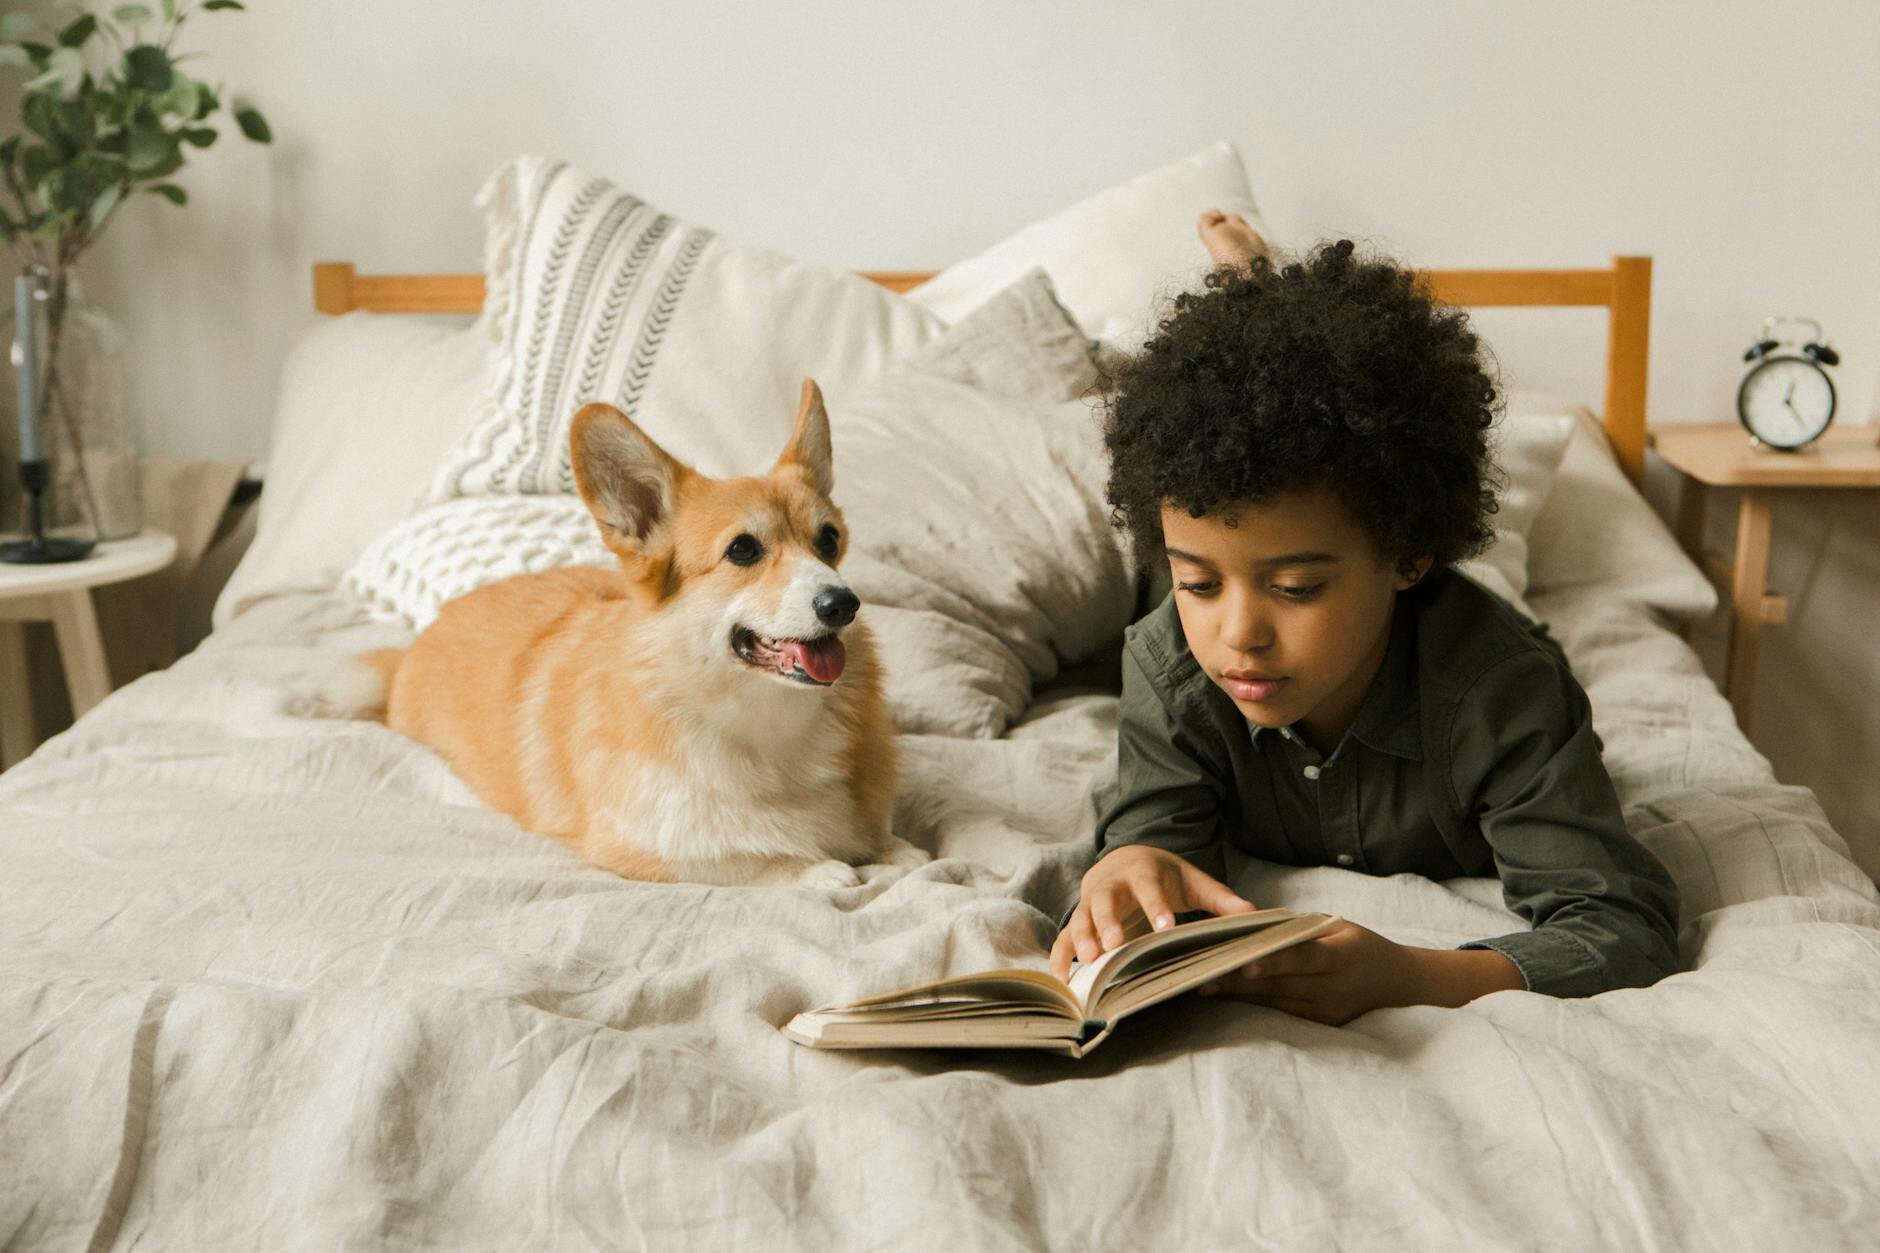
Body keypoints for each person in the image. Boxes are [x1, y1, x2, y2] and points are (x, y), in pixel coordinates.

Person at [1047, 214, 1680, 1025]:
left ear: (1408, 553)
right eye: (1199, 581)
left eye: (1298, 588)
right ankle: (1256, 296)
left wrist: (1411, 975)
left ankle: (1262, 292)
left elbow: (1621, 928)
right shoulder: (1172, 656)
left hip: (1448, 626)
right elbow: (1157, 822)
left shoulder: (1503, 694)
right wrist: (1134, 862)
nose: (1240, 633)